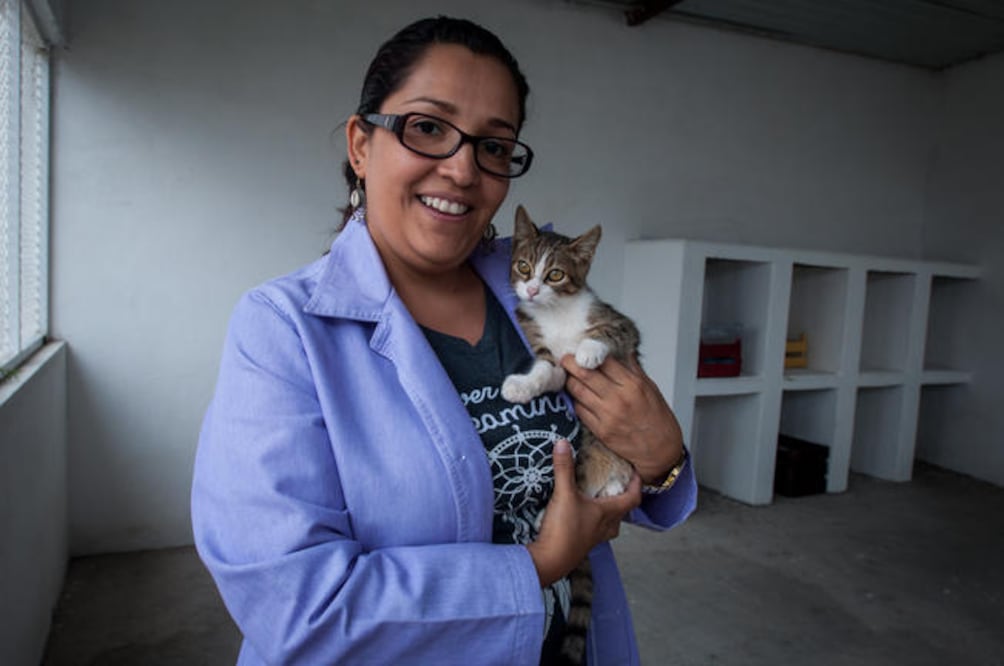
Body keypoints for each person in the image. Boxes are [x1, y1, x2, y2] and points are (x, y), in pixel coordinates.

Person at [192, 15, 696, 666]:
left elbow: (624, 456)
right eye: (427, 128)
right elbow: (298, 609)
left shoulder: (536, 298)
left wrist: (665, 461)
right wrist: (539, 565)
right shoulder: (284, 329)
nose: (462, 170)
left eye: (493, 145)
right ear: (361, 145)